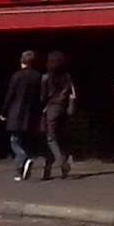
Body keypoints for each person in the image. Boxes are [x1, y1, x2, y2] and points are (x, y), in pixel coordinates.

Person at [3, 50, 46, 179]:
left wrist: (4, 111)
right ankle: (21, 171)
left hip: (16, 112)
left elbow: (10, 94)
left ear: (22, 60)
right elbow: (41, 96)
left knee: (15, 141)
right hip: (31, 113)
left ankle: (24, 159)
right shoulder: (37, 76)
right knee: (25, 140)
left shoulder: (17, 76)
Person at [40, 51, 78, 179]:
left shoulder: (46, 77)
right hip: (64, 108)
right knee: (60, 138)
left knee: (50, 138)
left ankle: (61, 163)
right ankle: (52, 170)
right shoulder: (67, 76)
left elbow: (43, 97)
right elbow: (72, 93)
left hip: (51, 108)